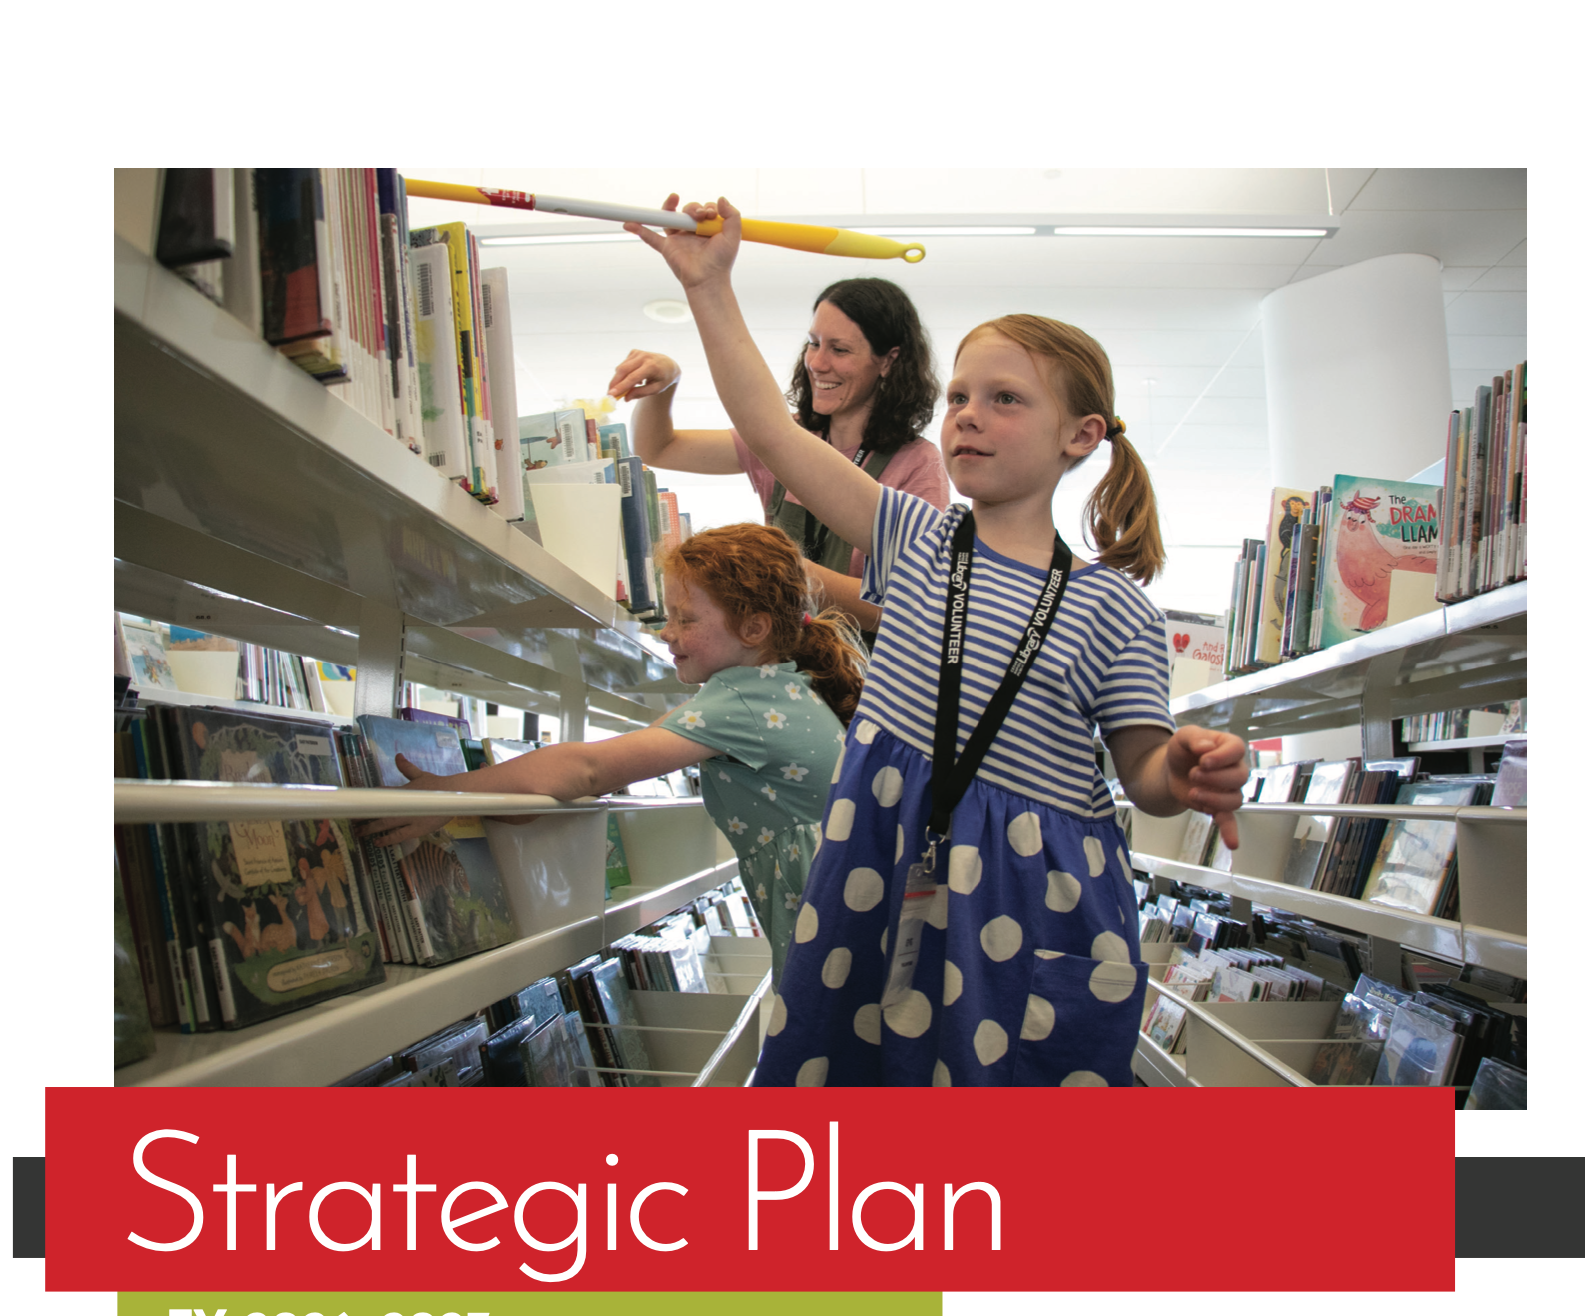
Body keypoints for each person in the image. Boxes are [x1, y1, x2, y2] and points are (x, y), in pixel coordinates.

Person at [625, 196, 1249, 1088]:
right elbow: (770, 426)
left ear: (1081, 437)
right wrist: (710, 287)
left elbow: (1145, 772)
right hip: (883, 870)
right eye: (959, 395)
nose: (966, 415)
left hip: (1038, 900)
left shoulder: (1116, 607)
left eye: (1004, 400)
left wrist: (1184, 770)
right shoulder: (915, 539)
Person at [359, 524, 866, 985]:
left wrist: (448, 794)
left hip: (832, 928)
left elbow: (587, 768)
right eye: (669, 616)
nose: (667, 632)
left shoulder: (741, 700)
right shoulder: (772, 689)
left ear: (754, 629)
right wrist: (498, 803)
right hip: (845, 911)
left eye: (686, 618)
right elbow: (601, 770)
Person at [607, 277, 948, 633]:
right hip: (785, 672)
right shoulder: (787, 439)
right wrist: (666, 385)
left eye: (840, 350)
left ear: (889, 361)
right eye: (813, 344)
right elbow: (657, 448)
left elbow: (912, 605)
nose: (817, 362)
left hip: (862, 676)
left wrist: (785, 570)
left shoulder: (918, 464)